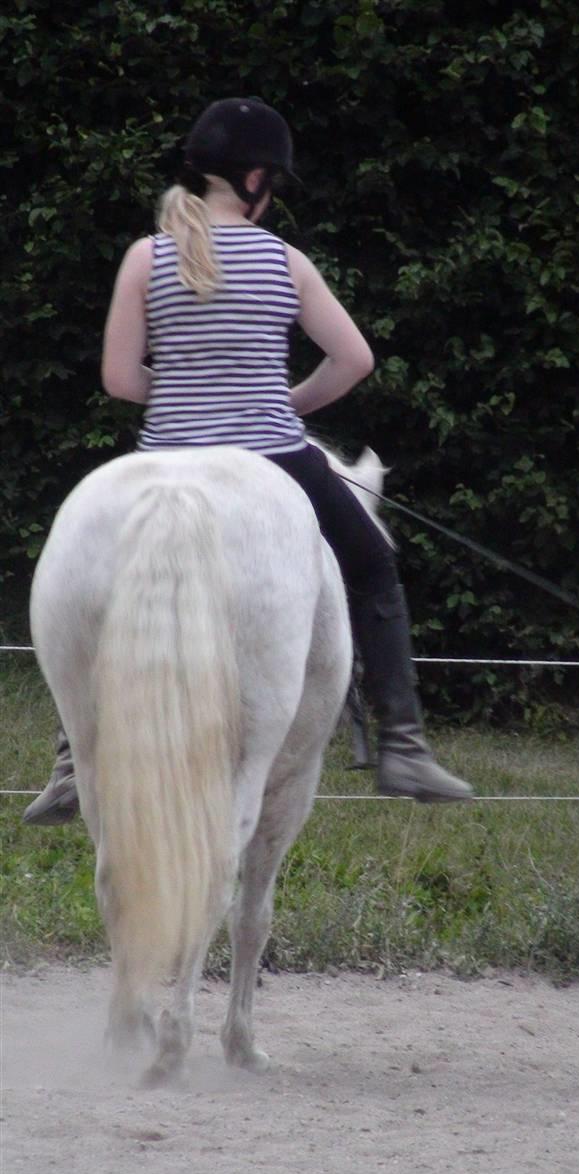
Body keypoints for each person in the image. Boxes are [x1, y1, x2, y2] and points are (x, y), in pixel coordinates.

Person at [24, 97, 472, 825]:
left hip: (163, 453)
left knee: (96, 574)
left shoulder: (147, 255)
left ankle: (75, 757)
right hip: (273, 453)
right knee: (372, 564)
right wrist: (282, 403)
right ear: (258, 177)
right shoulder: (284, 260)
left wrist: (180, 395)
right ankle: (403, 743)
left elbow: (118, 379)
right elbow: (354, 358)